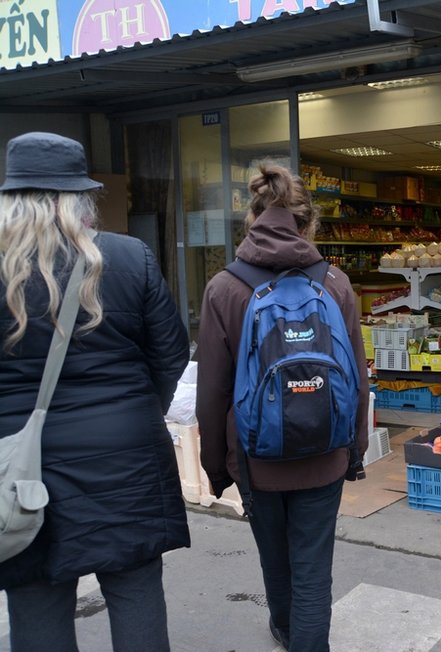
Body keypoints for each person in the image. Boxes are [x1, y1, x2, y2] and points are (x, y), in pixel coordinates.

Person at [0, 132, 190, 650]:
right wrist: (137, 410)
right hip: (126, 458)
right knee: (135, 588)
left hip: (23, 464)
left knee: (36, 596)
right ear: (80, 197)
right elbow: (172, 354)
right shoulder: (129, 257)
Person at [196, 163, 369, 652]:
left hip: (257, 457)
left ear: (251, 219)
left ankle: (285, 629)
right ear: (308, 223)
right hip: (326, 453)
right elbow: (357, 378)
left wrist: (217, 466)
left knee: (275, 560)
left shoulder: (224, 288)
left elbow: (212, 391)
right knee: (313, 570)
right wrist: (353, 452)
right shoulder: (334, 283)